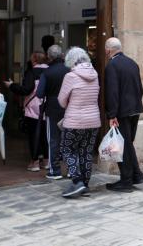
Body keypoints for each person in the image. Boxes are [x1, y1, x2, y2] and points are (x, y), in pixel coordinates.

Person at [57, 47, 102, 198]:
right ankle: (85, 184)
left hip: (75, 121)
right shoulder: (94, 75)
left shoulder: (71, 76)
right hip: (93, 120)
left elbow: (62, 101)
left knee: (67, 149)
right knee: (86, 152)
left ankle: (77, 181)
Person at [104, 37, 143, 192]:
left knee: (121, 145)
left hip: (121, 111)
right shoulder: (132, 63)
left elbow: (112, 92)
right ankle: (136, 175)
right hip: (135, 109)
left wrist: (111, 114)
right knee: (127, 143)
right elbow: (140, 89)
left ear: (108, 50)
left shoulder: (112, 66)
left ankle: (126, 180)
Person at [4, 50, 48, 172]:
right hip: (47, 108)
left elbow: (26, 90)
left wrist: (12, 86)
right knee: (45, 135)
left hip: (34, 109)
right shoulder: (50, 70)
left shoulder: (32, 72)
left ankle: (34, 163)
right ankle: (46, 161)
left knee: (34, 135)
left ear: (34, 59)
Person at [36, 45, 70, 180]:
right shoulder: (69, 70)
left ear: (49, 57)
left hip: (53, 109)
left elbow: (39, 93)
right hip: (69, 108)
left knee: (54, 140)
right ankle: (71, 170)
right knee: (69, 138)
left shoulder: (47, 73)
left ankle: (55, 170)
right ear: (62, 55)